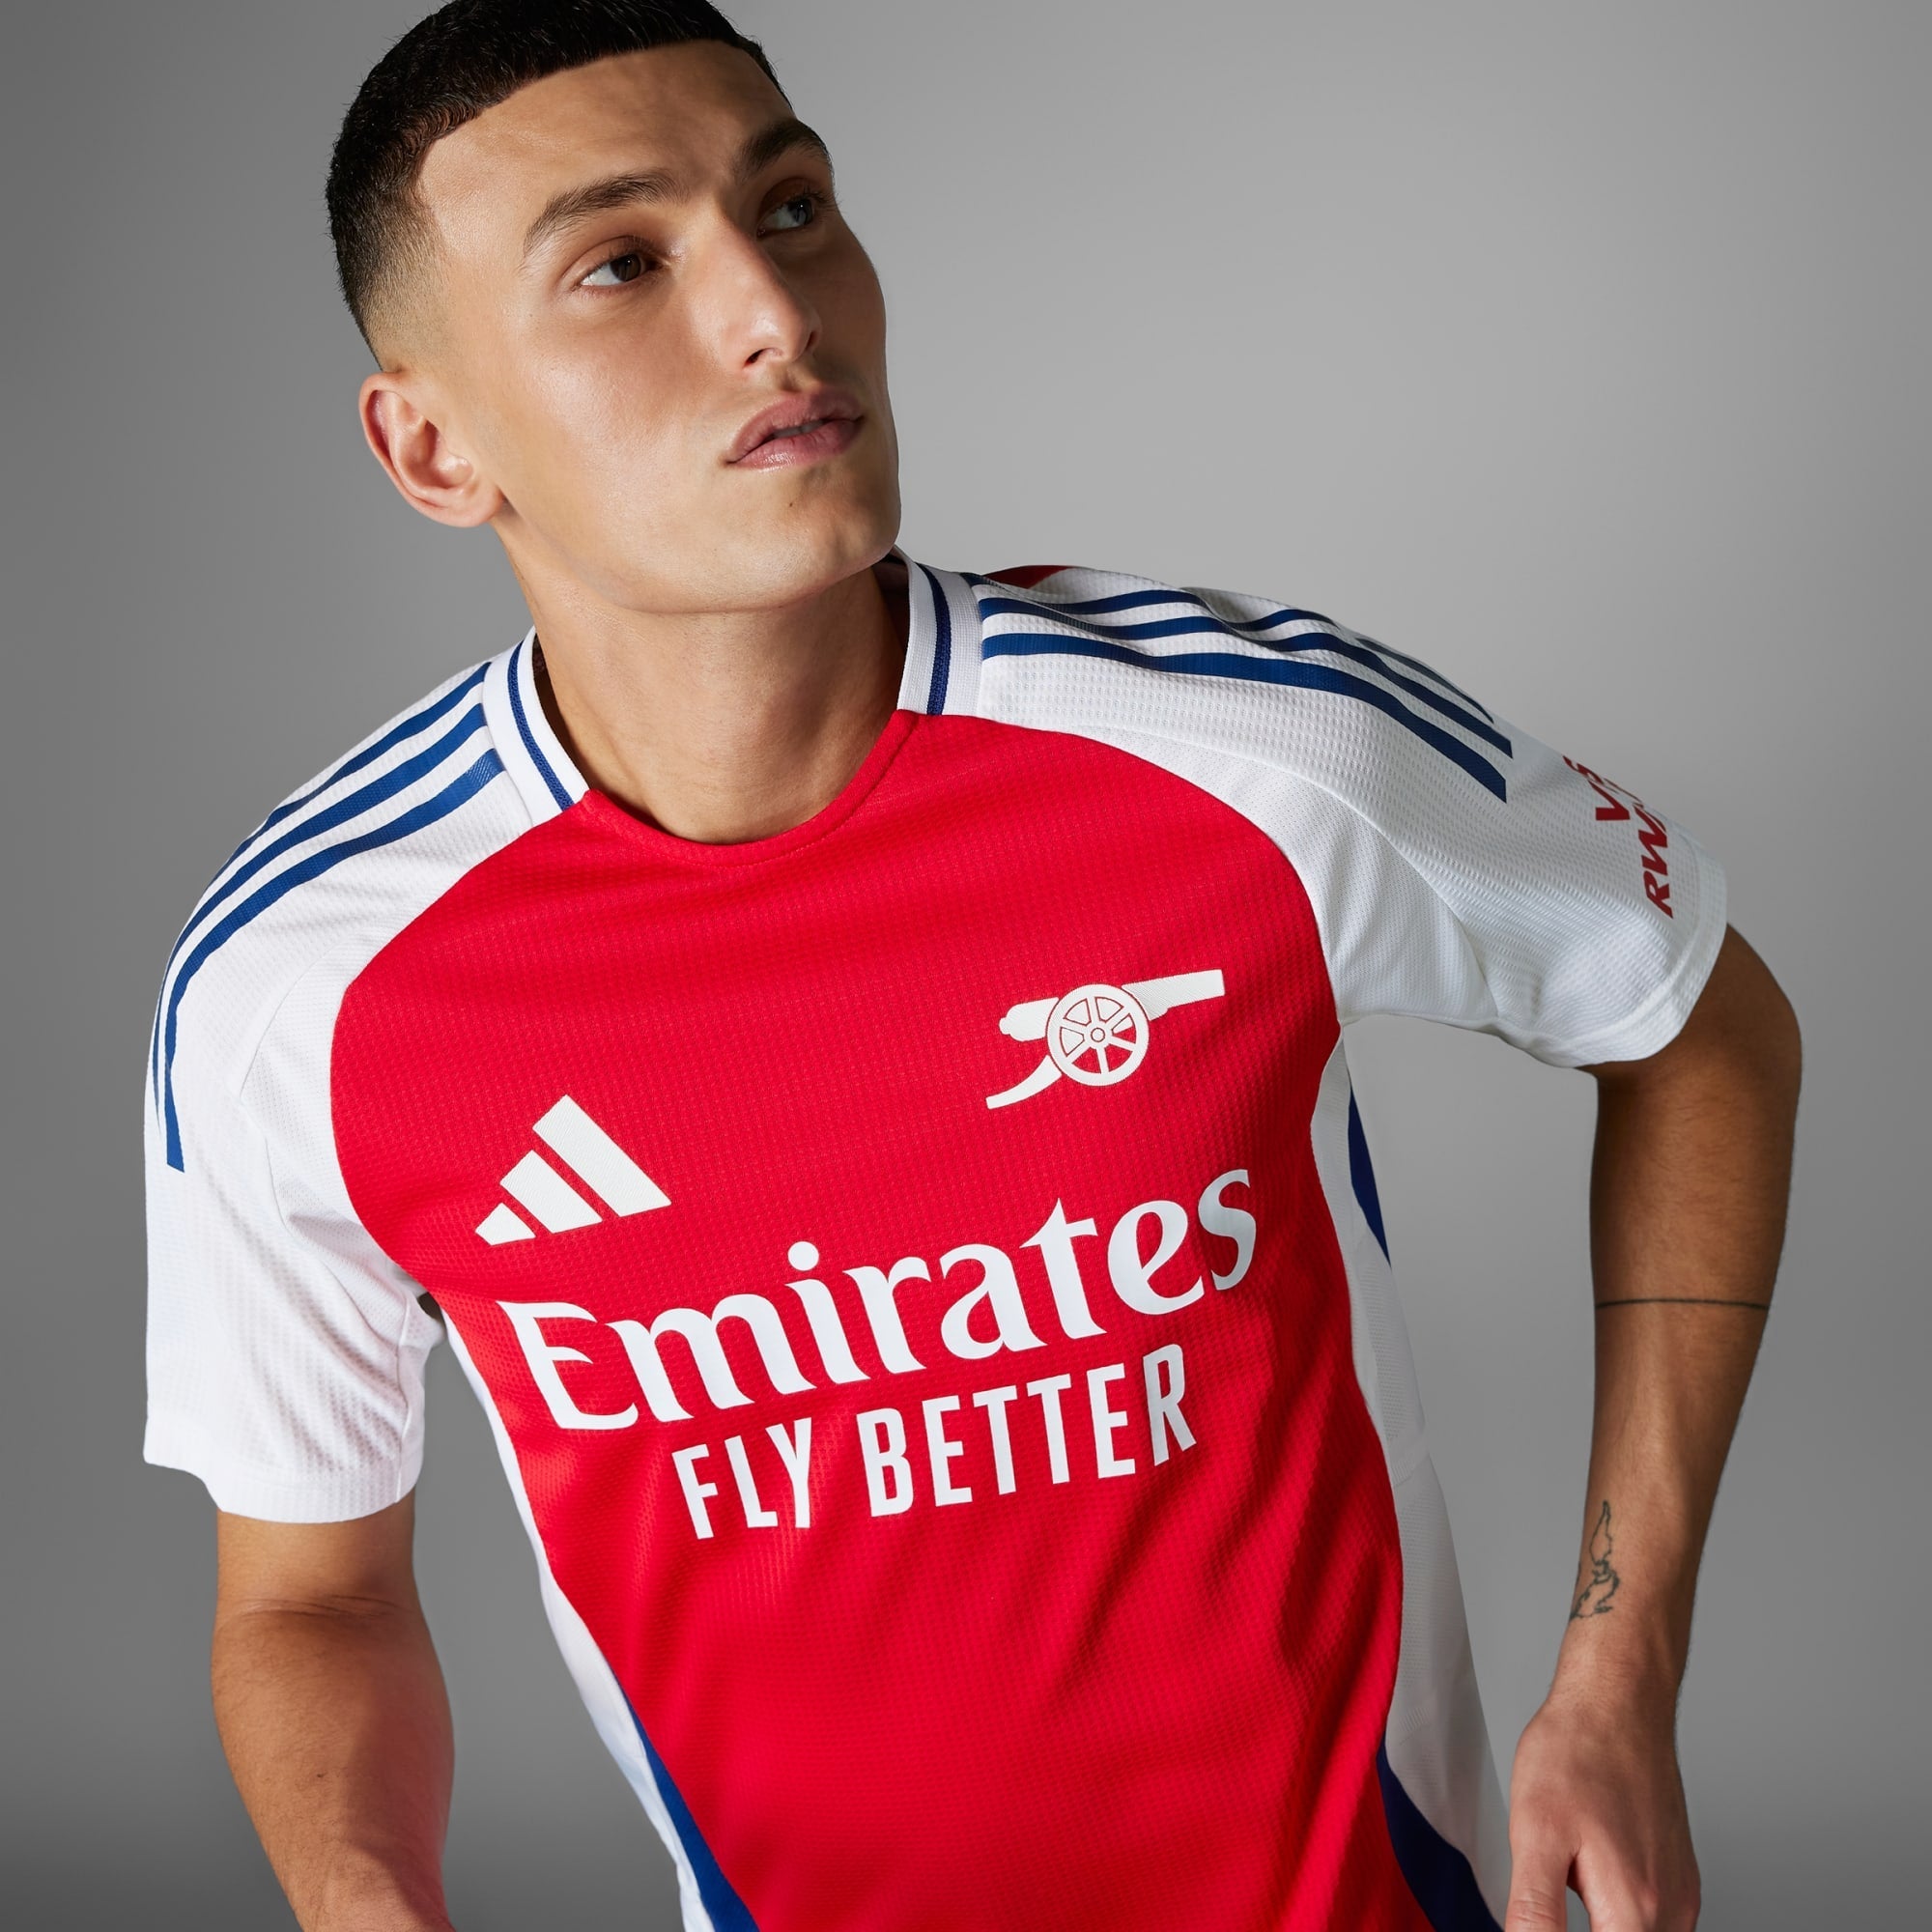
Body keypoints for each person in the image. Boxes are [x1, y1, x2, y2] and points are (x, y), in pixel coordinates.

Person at [142, 4, 1801, 1928]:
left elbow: (1698, 1025)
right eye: (622, 264)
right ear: (432, 447)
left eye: (793, 207)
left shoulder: (1254, 754)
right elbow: (309, 1596)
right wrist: (364, 1898)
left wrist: (1619, 1669)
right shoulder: (301, 989)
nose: (774, 312)